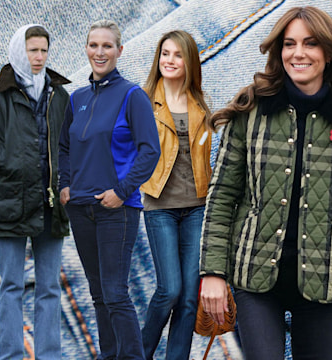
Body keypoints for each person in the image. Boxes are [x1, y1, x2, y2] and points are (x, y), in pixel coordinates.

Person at [198, 6, 332, 360]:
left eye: (310, 43)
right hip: (254, 279)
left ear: (328, 52)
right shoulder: (250, 111)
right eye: (289, 44)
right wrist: (213, 272)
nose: (298, 53)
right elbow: (222, 196)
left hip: (324, 281)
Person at [58, 20, 160, 359]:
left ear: (119, 50)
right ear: (86, 48)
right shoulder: (77, 98)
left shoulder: (133, 96)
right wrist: (64, 185)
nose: (99, 52)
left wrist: (122, 190)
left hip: (116, 208)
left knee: (116, 293)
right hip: (80, 208)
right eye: (93, 45)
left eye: (107, 46)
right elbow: (64, 147)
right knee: (99, 294)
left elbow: (150, 151)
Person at [0, 24, 69, 360]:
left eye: (42, 50)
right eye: (31, 50)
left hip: (51, 206)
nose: (38, 57)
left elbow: (71, 146)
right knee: (10, 288)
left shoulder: (59, 96)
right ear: (17, 51)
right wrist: (1, 161)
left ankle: (49, 355)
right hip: (9, 204)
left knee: (50, 287)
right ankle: (11, 354)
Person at [138, 30, 213, 360]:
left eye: (177, 55)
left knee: (188, 298)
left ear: (189, 61)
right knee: (169, 290)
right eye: (165, 54)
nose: (169, 60)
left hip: (197, 207)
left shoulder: (200, 103)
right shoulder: (142, 101)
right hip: (160, 207)